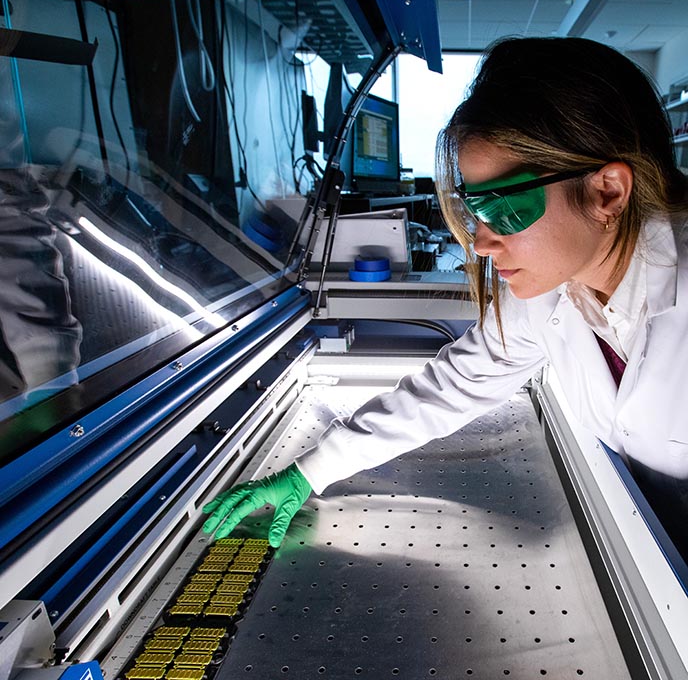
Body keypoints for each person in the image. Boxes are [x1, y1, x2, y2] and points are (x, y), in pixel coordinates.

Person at [203, 36, 688, 559]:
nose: (480, 243)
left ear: (607, 191)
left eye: (504, 207)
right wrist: (311, 470)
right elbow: (453, 385)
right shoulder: (552, 293)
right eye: (474, 209)